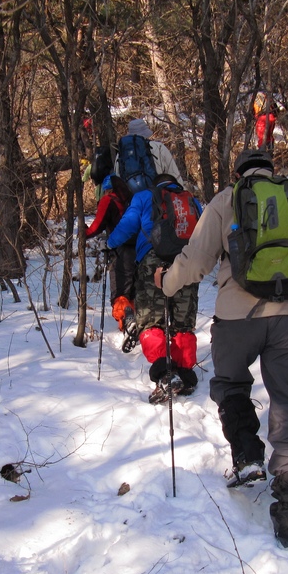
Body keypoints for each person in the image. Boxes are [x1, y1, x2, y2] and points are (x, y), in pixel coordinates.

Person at [153, 149, 288, 548]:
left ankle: (246, 456)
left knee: (229, 383)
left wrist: (165, 282)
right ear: (272, 171)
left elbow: (194, 262)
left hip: (237, 319)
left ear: (238, 172)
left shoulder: (226, 201)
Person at [107, 173, 201, 404]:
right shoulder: (191, 200)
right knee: (183, 322)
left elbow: (127, 225)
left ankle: (164, 375)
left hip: (152, 261)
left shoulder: (143, 197)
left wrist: (109, 244)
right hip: (187, 261)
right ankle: (186, 374)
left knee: (151, 320)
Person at [84, 174, 137, 338]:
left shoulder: (109, 200)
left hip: (120, 251)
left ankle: (127, 322)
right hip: (138, 250)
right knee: (132, 290)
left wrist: (82, 233)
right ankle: (134, 324)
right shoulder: (130, 200)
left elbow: (96, 226)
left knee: (120, 292)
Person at [119, 118, 183, 184]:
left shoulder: (122, 152)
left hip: (132, 193)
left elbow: (118, 176)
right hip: (157, 192)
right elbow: (174, 174)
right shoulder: (159, 147)